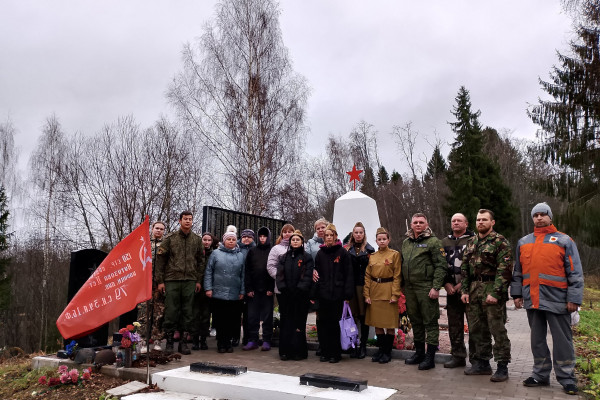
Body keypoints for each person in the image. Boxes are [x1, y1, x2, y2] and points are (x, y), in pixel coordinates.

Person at [510, 203, 583, 396]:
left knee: (563, 341)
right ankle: (540, 374)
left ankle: (567, 378)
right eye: (536, 215)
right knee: (537, 340)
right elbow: (518, 271)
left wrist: (574, 298)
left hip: (558, 300)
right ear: (532, 218)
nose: (539, 218)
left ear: (550, 217)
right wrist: (516, 294)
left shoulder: (565, 241)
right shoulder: (524, 242)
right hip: (532, 299)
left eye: (543, 214)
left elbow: (575, 272)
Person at [461, 209, 512, 382]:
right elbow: (465, 269)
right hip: (474, 290)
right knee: (477, 329)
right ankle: (482, 364)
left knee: (497, 329)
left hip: (492, 289)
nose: (480, 222)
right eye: (478, 220)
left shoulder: (500, 242)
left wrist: (496, 293)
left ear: (492, 222)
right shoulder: (471, 242)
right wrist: (465, 291)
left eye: (484, 219)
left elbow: (504, 270)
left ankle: (502, 366)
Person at [401, 212, 447, 370]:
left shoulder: (433, 242)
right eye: (415, 222)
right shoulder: (406, 242)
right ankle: (419, 353)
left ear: (426, 224)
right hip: (410, 289)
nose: (418, 225)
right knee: (416, 321)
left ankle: (430, 357)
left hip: (426, 288)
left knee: (430, 322)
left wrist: (436, 287)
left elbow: (441, 265)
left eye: (421, 222)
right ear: (411, 224)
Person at [155, 211, 204, 355]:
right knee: (171, 311)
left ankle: (183, 343)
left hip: (190, 280)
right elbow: (160, 260)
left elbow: (201, 262)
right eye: (185, 219)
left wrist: (198, 280)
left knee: (187, 312)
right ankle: (169, 343)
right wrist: (160, 281)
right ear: (179, 221)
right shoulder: (170, 239)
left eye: (190, 219)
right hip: (172, 280)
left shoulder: (196, 239)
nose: (188, 221)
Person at [313, 223, 353, 363]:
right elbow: (316, 274)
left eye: (332, 235)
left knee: (335, 325)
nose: (329, 237)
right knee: (323, 324)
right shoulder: (320, 253)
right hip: (323, 295)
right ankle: (324, 351)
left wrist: (347, 295)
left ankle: (335, 353)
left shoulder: (342, 253)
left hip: (338, 294)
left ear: (336, 236)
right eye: (327, 235)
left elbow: (348, 274)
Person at [441, 213, 476, 368]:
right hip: (451, 292)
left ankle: (476, 359)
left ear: (466, 223)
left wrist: (462, 284)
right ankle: (458, 356)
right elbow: (440, 265)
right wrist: (446, 284)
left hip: (469, 290)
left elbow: (476, 265)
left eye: (459, 220)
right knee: (454, 325)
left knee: (474, 325)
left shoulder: (474, 240)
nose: (455, 223)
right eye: (453, 220)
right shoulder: (444, 241)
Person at [364, 227, 401, 364]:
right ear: (376, 241)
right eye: (379, 239)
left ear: (388, 240)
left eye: (384, 239)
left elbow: (397, 275)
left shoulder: (394, 255)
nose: (382, 241)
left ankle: (387, 352)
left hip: (388, 290)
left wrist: (395, 294)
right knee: (377, 324)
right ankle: (381, 350)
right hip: (375, 291)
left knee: (389, 324)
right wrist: (366, 294)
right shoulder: (372, 256)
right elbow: (368, 276)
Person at [204, 230, 245, 353]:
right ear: (224, 240)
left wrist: (242, 290)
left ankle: (228, 343)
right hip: (218, 292)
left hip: (234, 292)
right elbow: (209, 271)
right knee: (220, 319)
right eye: (229, 239)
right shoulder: (216, 253)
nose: (231, 241)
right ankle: (221, 343)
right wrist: (208, 288)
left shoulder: (240, 255)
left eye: (233, 239)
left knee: (231, 319)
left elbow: (243, 274)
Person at [276, 230, 314, 360]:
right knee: (286, 323)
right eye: (293, 240)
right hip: (286, 296)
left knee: (299, 323)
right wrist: (283, 288)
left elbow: (308, 275)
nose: (295, 241)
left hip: (300, 296)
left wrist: (300, 289)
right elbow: (279, 274)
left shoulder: (307, 257)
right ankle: (285, 351)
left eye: (298, 239)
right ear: (290, 242)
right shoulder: (284, 257)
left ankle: (299, 351)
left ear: (302, 242)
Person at [345, 222, 375, 359]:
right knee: (353, 317)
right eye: (356, 232)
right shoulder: (346, 249)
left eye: (360, 232)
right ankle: (353, 345)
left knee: (363, 317)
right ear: (353, 234)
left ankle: (363, 346)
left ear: (364, 234)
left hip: (363, 286)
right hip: (350, 286)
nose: (358, 235)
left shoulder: (369, 250)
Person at [243, 227, 275, 351]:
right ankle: (253, 340)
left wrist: (271, 288)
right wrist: (249, 288)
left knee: (267, 317)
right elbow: (248, 271)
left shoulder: (272, 251)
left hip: (267, 290)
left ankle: (267, 340)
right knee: (252, 316)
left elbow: (274, 270)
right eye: (260, 236)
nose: (262, 238)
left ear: (268, 237)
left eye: (264, 236)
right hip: (254, 290)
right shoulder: (252, 251)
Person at [137, 221, 167, 351]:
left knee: (159, 314)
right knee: (144, 313)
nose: (159, 231)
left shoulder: (166, 245)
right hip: (144, 283)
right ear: (152, 229)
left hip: (159, 285)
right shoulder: (144, 244)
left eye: (161, 229)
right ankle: (143, 341)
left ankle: (157, 340)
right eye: (157, 228)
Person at [235, 228, 256, 347]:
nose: (246, 238)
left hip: (250, 286)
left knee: (249, 315)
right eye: (244, 236)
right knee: (236, 314)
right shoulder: (236, 249)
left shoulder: (255, 249)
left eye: (249, 236)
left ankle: (248, 337)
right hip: (237, 285)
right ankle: (235, 337)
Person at [267, 224, 295, 295]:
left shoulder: (302, 246)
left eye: (289, 231)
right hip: (282, 286)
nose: (287, 233)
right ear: (282, 234)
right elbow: (271, 266)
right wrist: (280, 277)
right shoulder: (276, 248)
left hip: (297, 286)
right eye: (285, 232)